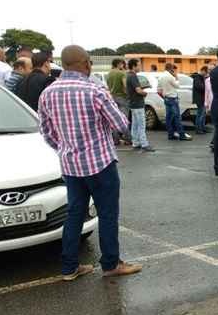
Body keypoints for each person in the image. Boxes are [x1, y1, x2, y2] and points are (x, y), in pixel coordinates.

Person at [37, 45, 142, 280]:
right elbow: (121, 125)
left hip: (71, 165)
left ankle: (69, 267)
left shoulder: (48, 93)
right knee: (107, 213)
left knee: (74, 213)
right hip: (100, 163)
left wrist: (64, 147)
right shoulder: (94, 90)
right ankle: (111, 263)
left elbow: (45, 131)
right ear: (85, 63)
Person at [125, 58, 154, 152]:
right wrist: (145, 93)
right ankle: (144, 144)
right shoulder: (133, 76)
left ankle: (136, 142)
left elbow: (134, 88)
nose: (140, 67)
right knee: (141, 125)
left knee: (135, 124)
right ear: (134, 66)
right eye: (138, 65)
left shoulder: (129, 75)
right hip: (138, 104)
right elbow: (138, 90)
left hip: (133, 104)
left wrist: (144, 87)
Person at [158, 63, 192, 141]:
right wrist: (176, 76)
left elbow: (159, 89)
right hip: (172, 98)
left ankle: (171, 134)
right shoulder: (170, 77)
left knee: (169, 118)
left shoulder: (161, 77)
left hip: (166, 98)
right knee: (177, 117)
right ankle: (182, 134)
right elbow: (177, 86)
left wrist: (164, 95)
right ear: (171, 69)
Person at [191, 66, 209, 134]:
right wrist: (206, 86)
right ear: (203, 71)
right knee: (200, 114)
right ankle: (199, 129)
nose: (206, 74)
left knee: (203, 114)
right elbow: (199, 87)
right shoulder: (197, 77)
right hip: (200, 99)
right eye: (206, 72)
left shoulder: (200, 77)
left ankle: (202, 128)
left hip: (201, 98)